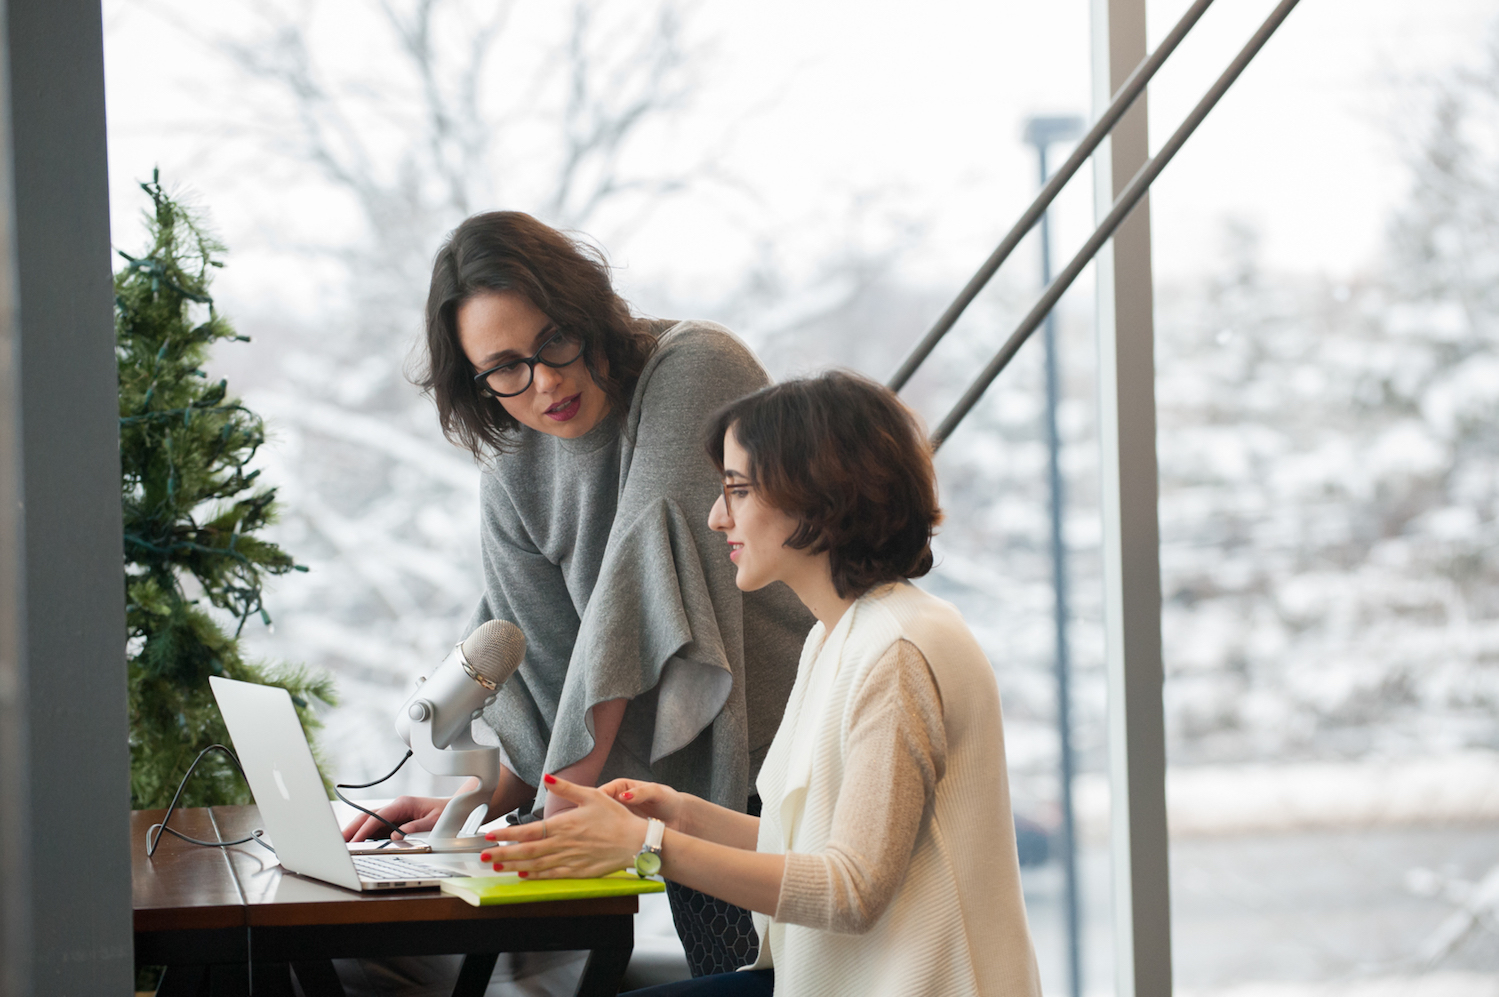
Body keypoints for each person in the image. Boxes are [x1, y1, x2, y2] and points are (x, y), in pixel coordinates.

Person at [342, 211, 812, 977]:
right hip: (677, 788)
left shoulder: (693, 367)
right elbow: (539, 660)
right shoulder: (511, 472)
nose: (546, 381)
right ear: (476, 380)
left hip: (779, 757)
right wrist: (483, 805)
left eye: (555, 339)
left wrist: (547, 822)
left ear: (590, 312)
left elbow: (641, 578)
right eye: (505, 368)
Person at [480, 371, 1042, 997]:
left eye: (738, 491)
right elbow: (812, 844)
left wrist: (649, 845)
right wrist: (681, 813)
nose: (718, 517)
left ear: (822, 497)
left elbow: (851, 890)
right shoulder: (835, 637)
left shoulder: (898, 650)